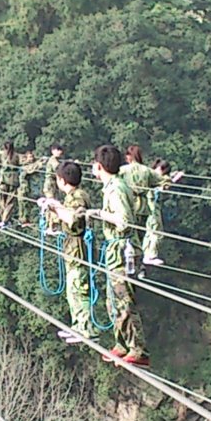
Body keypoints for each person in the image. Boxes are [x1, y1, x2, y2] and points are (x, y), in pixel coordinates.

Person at [86, 144, 148, 367]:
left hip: (123, 250)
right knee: (113, 301)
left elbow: (123, 221)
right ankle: (121, 343)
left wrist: (101, 214)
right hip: (115, 251)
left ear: (100, 166)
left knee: (124, 301)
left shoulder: (117, 189)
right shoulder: (113, 186)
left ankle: (138, 348)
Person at [39, 161, 96, 343]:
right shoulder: (74, 195)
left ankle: (85, 328)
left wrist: (54, 206)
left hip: (77, 249)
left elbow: (72, 219)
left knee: (78, 287)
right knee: (73, 289)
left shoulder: (77, 197)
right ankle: (78, 325)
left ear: (62, 180)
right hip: (72, 248)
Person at [142, 159, 184, 266]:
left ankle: (146, 254)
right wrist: (175, 179)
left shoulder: (149, 174)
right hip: (152, 207)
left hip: (147, 207)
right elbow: (163, 187)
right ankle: (151, 255)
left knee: (150, 231)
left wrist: (172, 176)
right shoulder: (154, 177)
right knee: (157, 232)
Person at [18, 151, 45, 227]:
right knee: (24, 206)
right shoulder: (24, 166)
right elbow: (30, 169)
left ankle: (40, 220)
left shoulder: (35, 163)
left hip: (35, 189)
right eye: (30, 157)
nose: (31, 158)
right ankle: (23, 220)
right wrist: (39, 163)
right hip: (24, 189)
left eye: (32, 157)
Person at [41, 144, 64, 235]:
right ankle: (51, 226)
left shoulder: (56, 160)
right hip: (50, 184)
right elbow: (58, 168)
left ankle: (51, 226)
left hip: (53, 184)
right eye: (57, 150)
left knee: (52, 203)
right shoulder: (53, 160)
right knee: (52, 204)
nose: (59, 152)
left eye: (60, 150)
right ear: (53, 151)